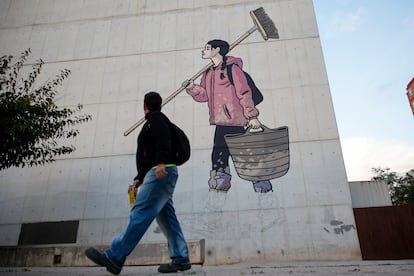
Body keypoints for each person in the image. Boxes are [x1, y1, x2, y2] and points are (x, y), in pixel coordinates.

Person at [85, 91, 191, 274]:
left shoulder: (155, 118)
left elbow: (163, 139)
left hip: (161, 172)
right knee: (167, 217)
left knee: (141, 212)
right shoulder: (154, 121)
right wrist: (138, 179)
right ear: (160, 104)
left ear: (144, 106)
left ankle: (115, 256)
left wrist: (160, 163)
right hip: (163, 172)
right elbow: (146, 155)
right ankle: (181, 258)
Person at [183, 39, 273, 193]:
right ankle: (219, 186)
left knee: (245, 156)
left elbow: (244, 93)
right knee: (219, 155)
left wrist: (252, 117)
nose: (203, 51)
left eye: (207, 48)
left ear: (217, 50)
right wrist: (193, 88)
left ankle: (262, 188)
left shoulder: (233, 69)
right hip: (220, 122)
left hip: (235, 121)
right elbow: (205, 96)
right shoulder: (208, 72)